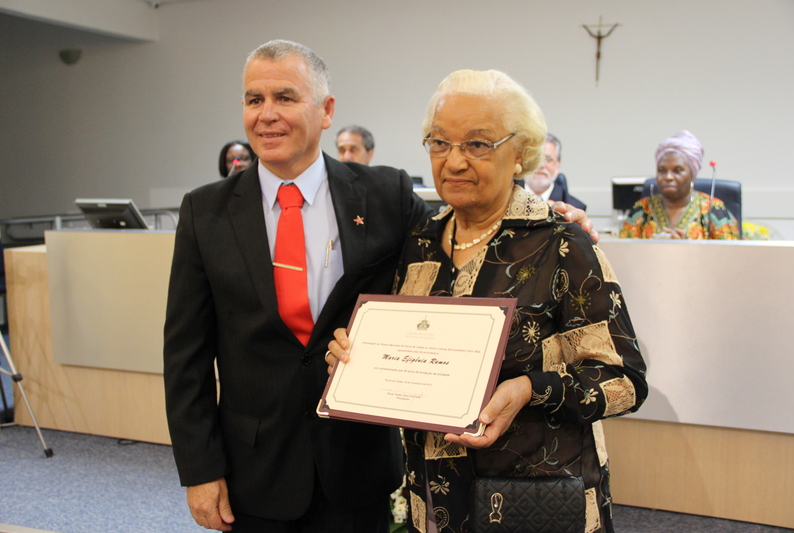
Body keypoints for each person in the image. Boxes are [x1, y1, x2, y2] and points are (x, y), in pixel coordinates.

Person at [164, 39, 598, 533]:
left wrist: (547, 217)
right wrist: (199, 470)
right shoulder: (204, 212)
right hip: (254, 468)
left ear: (326, 110)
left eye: (285, 97)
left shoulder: (384, 194)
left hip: (358, 466)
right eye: (253, 99)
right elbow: (185, 356)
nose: (267, 115)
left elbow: (467, 225)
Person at [327, 69, 647, 533]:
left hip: (531, 501)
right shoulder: (420, 243)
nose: (454, 161)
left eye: (477, 144)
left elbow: (625, 381)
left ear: (520, 153)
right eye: (439, 142)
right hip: (435, 500)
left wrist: (530, 389)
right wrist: (354, 362)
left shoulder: (561, 244)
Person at [619, 130, 738, 239]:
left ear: (692, 174)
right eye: (662, 170)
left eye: (677, 170)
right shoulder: (641, 209)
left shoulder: (713, 209)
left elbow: (730, 253)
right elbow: (624, 252)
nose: (668, 177)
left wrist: (685, 249)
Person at [522, 133, 586, 210]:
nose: (541, 165)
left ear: (558, 165)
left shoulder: (574, 208)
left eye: (548, 159)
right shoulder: (509, 199)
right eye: (535, 158)